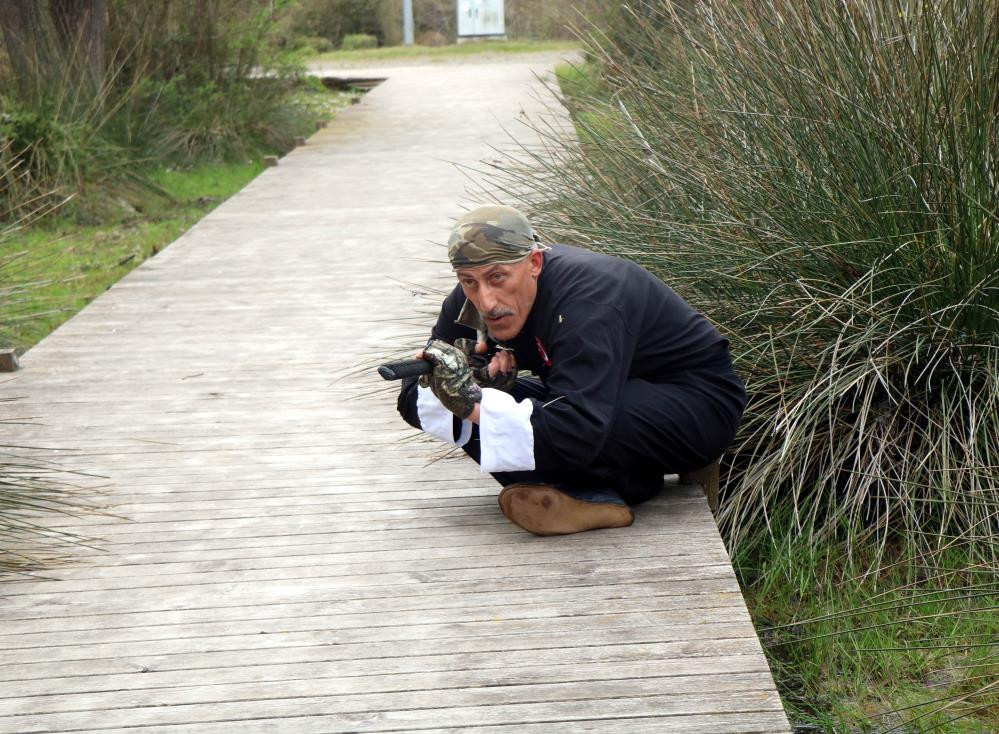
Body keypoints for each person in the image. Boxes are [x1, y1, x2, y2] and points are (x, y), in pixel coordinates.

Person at [397, 205, 746, 535]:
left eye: (497, 277)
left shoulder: (588, 300)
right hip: (592, 398)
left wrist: (469, 401)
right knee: (454, 400)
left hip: (696, 404)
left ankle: (625, 486)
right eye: (468, 281)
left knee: (512, 413)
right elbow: (412, 398)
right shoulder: (468, 300)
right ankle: (583, 498)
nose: (486, 300)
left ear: (534, 263)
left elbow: (576, 426)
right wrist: (475, 381)